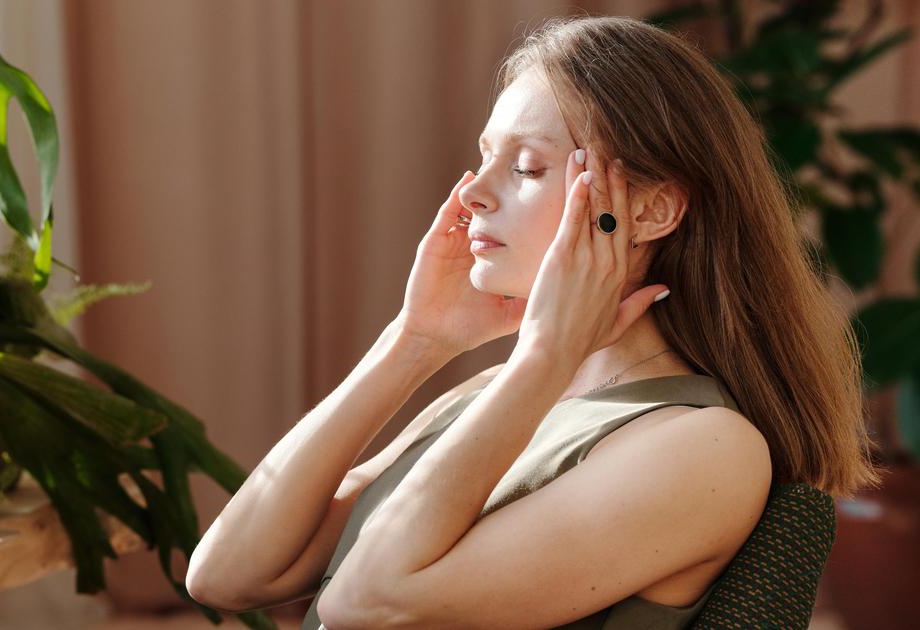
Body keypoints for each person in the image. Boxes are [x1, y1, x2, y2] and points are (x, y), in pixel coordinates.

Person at [186, 14, 883, 629]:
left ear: (648, 212)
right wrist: (414, 341)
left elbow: (363, 606)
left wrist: (544, 356)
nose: (472, 197)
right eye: (484, 158)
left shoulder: (704, 447)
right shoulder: (497, 396)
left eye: (524, 166)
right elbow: (227, 576)